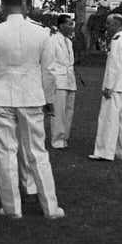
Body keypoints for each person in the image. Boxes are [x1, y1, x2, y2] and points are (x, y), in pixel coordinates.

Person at [0, 0, 64, 220]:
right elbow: (49, 70)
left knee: (5, 153)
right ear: (23, 4)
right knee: (38, 152)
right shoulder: (42, 32)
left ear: (3, 6)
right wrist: (49, 99)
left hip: (1, 96)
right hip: (31, 96)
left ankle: (12, 208)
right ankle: (51, 208)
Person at [89, 13, 122, 162]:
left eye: (108, 24)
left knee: (108, 119)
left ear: (117, 25)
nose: (106, 27)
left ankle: (104, 152)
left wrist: (108, 87)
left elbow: (114, 67)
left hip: (116, 87)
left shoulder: (117, 41)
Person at [50, 15, 77, 149]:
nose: (72, 27)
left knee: (69, 110)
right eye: (70, 24)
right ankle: (57, 140)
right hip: (59, 80)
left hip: (70, 79)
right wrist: (53, 79)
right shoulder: (53, 40)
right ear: (61, 26)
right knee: (58, 111)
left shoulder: (69, 42)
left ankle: (65, 138)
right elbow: (50, 62)